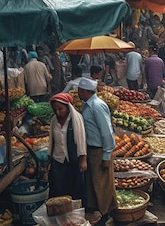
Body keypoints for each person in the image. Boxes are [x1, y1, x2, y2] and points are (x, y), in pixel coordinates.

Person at [78, 78, 117, 224]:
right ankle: (97, 211)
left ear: (83, 91)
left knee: (102, 184)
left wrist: (107, 156)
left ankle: (106, 214)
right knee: (94, 182)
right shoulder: (88, 105)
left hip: (99, 151)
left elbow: (107, 132)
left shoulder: (97, 106)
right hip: (91, 150)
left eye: (79, 90)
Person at [48, 93, 87, 199]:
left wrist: (83, 159)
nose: (58, 112)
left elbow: (81, 140)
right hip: (58, 160)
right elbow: (52, 140)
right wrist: (49, 159)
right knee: (59, 188)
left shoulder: (76, 119)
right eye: (55, 109)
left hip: (73, 159)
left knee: (74, 189)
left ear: (68, 107)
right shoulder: (54, 120)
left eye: (60, 109)